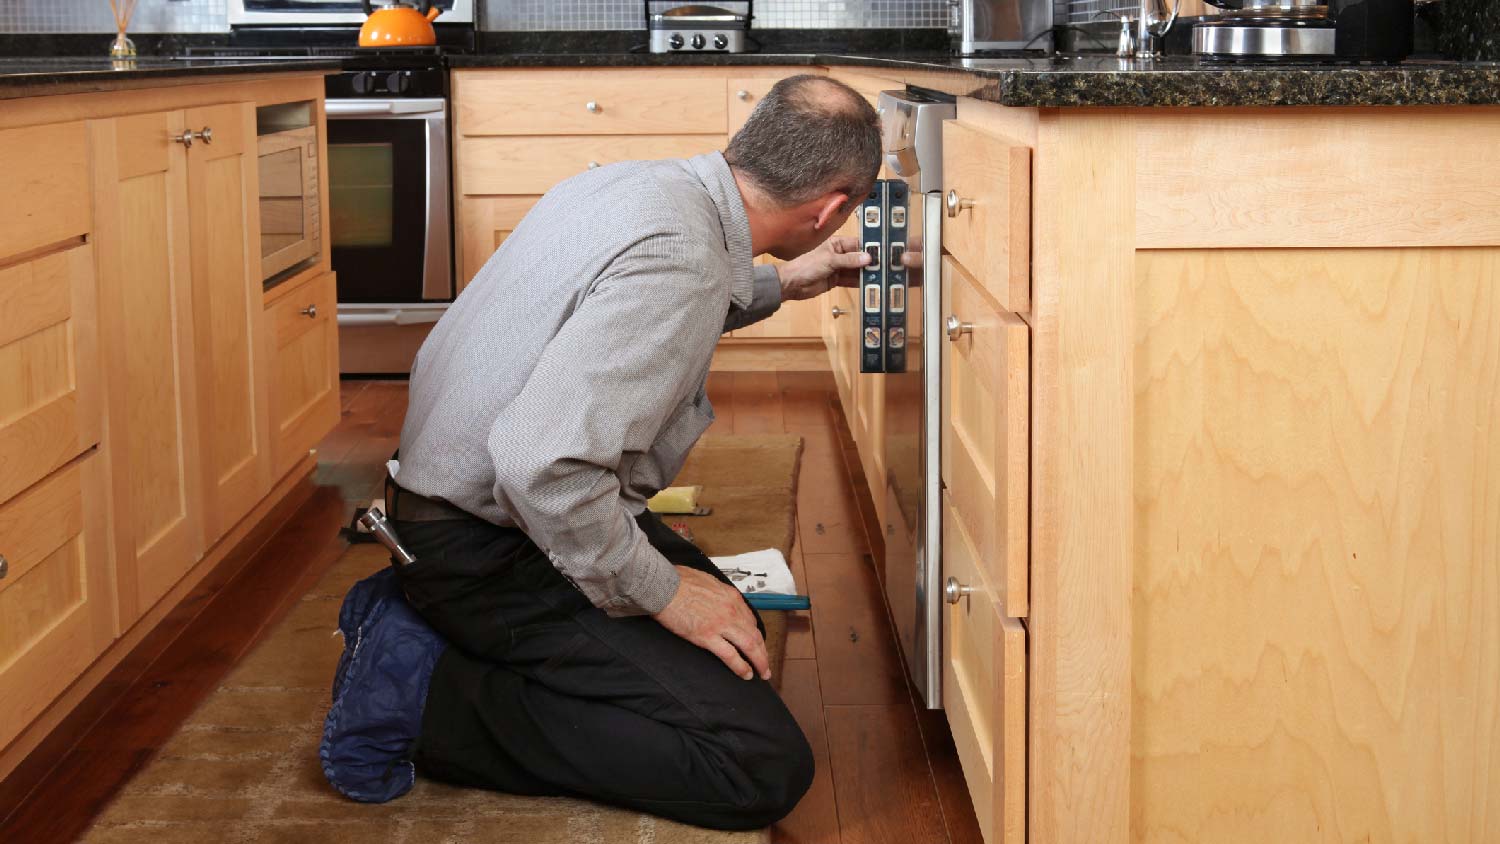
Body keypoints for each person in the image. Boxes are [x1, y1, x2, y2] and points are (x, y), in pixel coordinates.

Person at [327, 74, 883, 831]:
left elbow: (633, 304)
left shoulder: (645, 187)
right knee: (757, 760)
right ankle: (423, 699)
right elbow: (539, 462)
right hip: (486, 547)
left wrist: (781, 284)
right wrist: (663, 593)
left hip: (449, 508)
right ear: (831, 208)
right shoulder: (683, 259)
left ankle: (435, 628)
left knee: (727, 626)